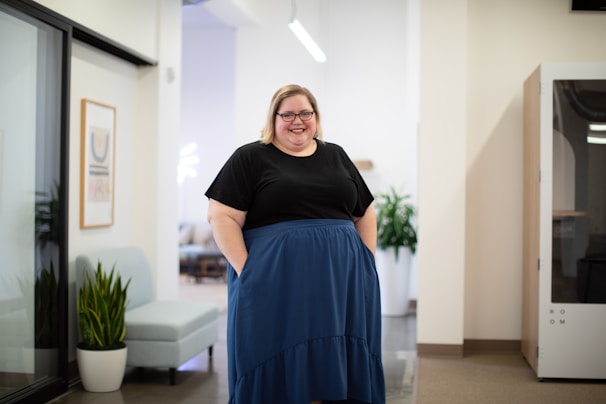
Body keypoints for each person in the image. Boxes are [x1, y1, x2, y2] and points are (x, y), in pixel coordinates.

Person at [205, 84, 385, 404]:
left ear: (315, 117)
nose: (297, 121)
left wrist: (365, 260)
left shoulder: (336, 154)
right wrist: (248, 270)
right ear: (273, 118)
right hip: (276, 281)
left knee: (338, 351)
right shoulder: (251, 157)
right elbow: (221, 216)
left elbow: (365, 211)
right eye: (287, 114)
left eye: (305, 113)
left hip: (342, 283)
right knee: (273, 349)